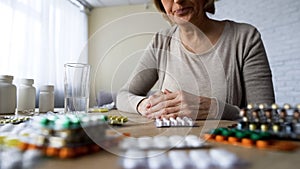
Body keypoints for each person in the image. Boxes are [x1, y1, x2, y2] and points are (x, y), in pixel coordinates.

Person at [116, 0, 275, 120]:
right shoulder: (161, 41)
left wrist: (215, 110)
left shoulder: (245, 38)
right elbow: (123, 95)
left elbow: (264, 115)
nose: (178, 1)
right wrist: (144, 105)